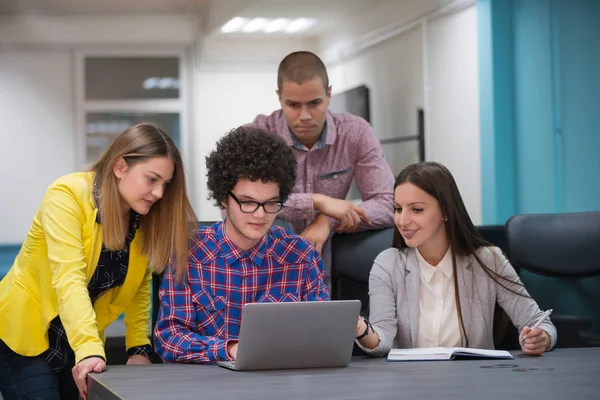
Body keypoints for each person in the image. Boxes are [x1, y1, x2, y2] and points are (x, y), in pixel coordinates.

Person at [0, 123, 197, 400]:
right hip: (26, 332)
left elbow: (139, 286)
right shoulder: (66, 195)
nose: (159, 193)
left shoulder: (143, 217)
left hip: (78, 336)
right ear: (119, 167)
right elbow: (69, 279)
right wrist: (90, 349)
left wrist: (138, 348)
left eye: (165, 184)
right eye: (151, 179)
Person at [154, 126, 329, 364]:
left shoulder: (301, 256)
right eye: (247, 203)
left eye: (270, 203)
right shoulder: (188, 254)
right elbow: (169, 339)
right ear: (223, 198)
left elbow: (324, 335)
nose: (259, 215)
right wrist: (231, 349)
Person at [354, 162, 557, 356]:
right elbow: (383, 339)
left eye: (416, 209)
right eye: (398, 209)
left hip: (473, 381)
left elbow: (540, 322)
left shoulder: (488, 259)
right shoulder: (388, 264)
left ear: (445, 211)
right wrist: (361, 328)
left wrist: (542, 338)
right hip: (410, 383)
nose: (402, 220)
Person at [248, 51, 395, 285]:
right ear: (279, 97)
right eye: (293, 104)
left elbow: (388, 203)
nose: (304, 116)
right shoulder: (257, 135)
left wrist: (327, 220)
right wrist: (316, 202)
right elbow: (239, 205)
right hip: (263, 276)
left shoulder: (355, 133)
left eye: (314, 103)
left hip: (327, 278)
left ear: (328, 95)